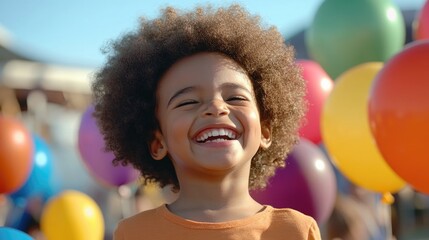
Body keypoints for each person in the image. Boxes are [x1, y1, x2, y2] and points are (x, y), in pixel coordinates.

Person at [92, 4, 321, 240]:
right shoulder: (135, 233)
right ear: (157, 142)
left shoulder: (297, 230)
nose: (216, 107)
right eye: (188, 102)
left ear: (265, 131)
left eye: (235, 97)